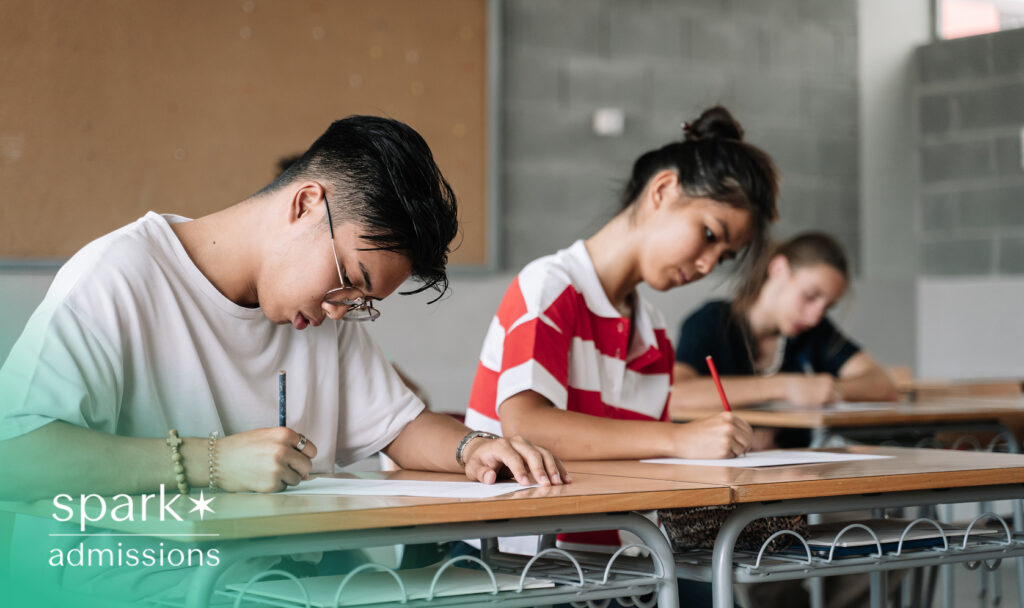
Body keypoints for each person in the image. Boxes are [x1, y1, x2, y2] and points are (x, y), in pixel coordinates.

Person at [0, 115, 566, 603]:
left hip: (264, 589)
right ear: (304, 204)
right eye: (352, 281)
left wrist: (475, 447)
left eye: (364, 303)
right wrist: (212, 462)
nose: (344, 310)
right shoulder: (119, 277)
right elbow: (16, 459)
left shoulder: (320, 315)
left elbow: (401, 425)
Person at [464, 106, 778, 572]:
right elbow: (527, 428)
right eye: (709, 234)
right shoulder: (550, 286)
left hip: (610, 564)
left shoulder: (652, 332)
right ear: (664, 190)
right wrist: (680, 440)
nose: (709, 265)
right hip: (515, 561)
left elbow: (639, 463)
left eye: (724, 256)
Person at [671, 232, 899, 430]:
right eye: (810, 296)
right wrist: (784, 387)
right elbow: (676, 394)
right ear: (779, 268)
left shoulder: (815, 331)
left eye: (827, 307)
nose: (815, 316)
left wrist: (830, 389)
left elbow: (883, 385)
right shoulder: (710, 322)